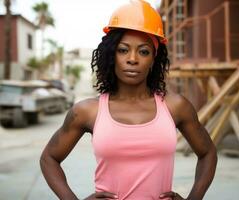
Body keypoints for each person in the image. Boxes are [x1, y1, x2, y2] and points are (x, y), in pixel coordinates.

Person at [40, 0, 217, 199]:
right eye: (123, 50)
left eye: (143, 51)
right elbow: (49, 158)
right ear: (111, 55)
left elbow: (208, 153)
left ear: (154, 59)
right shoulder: (87, 111)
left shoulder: (176, 107)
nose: (132, 58)